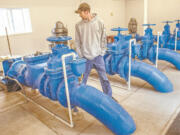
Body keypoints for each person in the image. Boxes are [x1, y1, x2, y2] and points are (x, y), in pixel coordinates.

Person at [75, 2, 117, 102]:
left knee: (104, 78)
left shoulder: (99, 22)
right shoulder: (78, 25)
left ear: (87, 12)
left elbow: (103, 38)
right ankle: (79, 99)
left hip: (98, 57)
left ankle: (109, 97)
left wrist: (102, 52)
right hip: (85, 58)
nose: (80, 15)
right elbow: (77, 42)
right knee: (82, 79)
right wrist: (81, 55)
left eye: (81, 13)